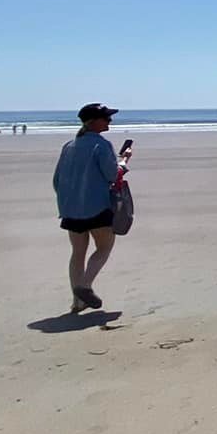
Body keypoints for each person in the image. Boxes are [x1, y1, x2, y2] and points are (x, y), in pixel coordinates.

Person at [53, 102, 122, 312]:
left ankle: (77, 301)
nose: (110, 121)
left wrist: (68, 200)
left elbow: (56, 180)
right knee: (104, 248)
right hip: (97, 207)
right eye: (106, 118)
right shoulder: (101, 145)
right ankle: (84, 287)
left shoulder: (69, 146)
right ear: (94, 122)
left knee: (78, 253)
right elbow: (112, 175)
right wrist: (123, 164)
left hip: (70, 210)